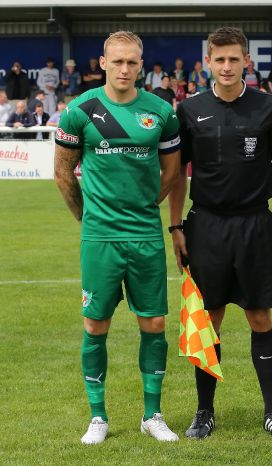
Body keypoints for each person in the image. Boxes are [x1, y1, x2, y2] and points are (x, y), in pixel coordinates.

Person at [53, 30, 182, 445]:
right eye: (118, 61)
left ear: (141, 65)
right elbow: (62, 172)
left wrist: (146, 205)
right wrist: (85, 217)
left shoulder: (161, 111)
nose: (125, 69)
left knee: (155, 323)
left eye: (133, 62)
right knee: (95, 325)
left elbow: (172, 172)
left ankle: (152, 414)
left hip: (144, 234)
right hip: (99, 237)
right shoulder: (79, 111)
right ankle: (98, 417)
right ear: (103, 63)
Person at [168, 26, 272, 441]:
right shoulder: (189, 110)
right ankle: (204, 411)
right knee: (210, 319)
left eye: (233, 59)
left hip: (256, 224)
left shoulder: (267, 107)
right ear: (208, 62)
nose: (226, 66)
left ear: (246, 62)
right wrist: (176, 226)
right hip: (205, 225)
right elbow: (178, 175)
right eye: (218, 59)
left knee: (260, 316)